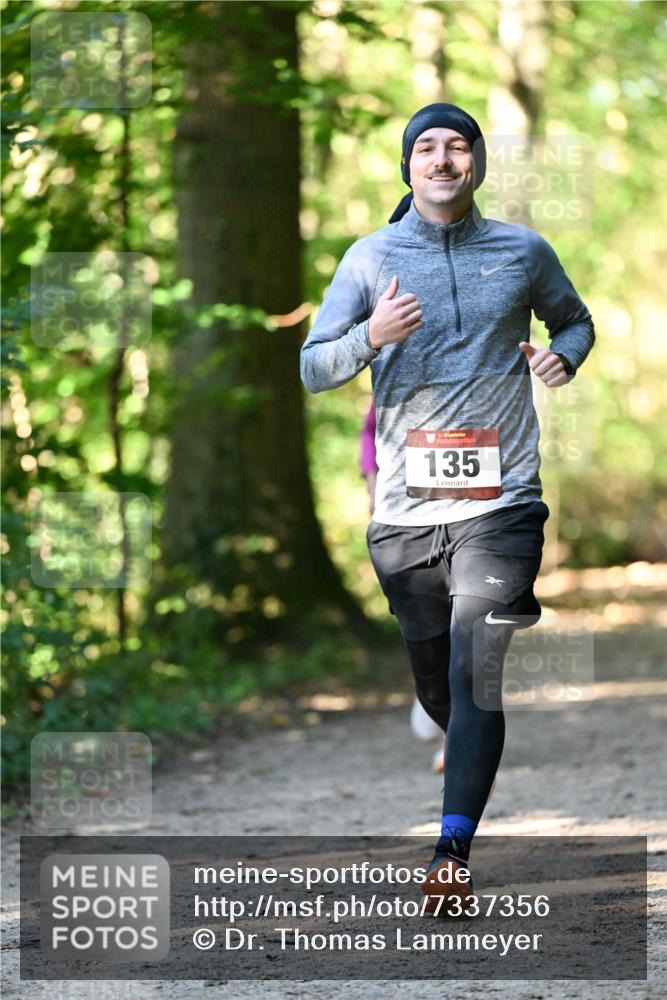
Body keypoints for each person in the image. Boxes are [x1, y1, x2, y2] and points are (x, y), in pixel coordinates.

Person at [301, 102, 595, 911]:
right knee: (439, 680)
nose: (441, 159)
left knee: (476, 671)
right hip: (403, 512)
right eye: (425, 147)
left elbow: (574, 321)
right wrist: (372, 335)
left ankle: (449, 855)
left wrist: (560, 357)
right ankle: (454, 743)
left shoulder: (522, 251)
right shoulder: (368, 260)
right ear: (407, 167)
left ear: (475, 164)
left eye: (456, 146)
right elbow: (313, 368)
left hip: (501, 503)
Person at [361, 397, 447, 773]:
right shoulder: (393, 360)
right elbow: (369, 431)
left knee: (471, 617)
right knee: (427, 619)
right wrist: (372, 486)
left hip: (475, 510)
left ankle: (455, 739)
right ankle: (435, 698)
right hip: (405, 514)